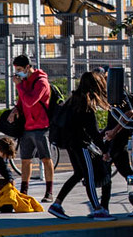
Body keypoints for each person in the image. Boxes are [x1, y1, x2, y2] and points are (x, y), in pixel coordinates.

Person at [47, 71, 116, 221]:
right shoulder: (86, 104)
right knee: (89, 176)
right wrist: (104, 150)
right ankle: (97, 209)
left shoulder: (74, 100)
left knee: (79, 173)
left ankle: (57, 204)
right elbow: (93, 132)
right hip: (81, 145)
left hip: (70, 144)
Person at [6, 55, 54, 202]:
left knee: (46, 159)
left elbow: (30, 101)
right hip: (27, 126)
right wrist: (15, 110)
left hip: (41, 126)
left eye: (20, 70)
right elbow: (22, 102)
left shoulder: (41, 82)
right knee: (25, 160)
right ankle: (24, 191)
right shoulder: (25, 81)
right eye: (16, 70)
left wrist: (19, 86)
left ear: (28, 67)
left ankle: (49, 192)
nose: (18, 73)